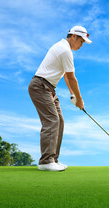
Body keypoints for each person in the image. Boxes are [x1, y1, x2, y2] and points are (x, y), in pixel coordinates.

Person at [28, 26, 92, 171]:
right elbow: (72, 78)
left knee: (60, 121)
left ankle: (53, 160)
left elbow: (65, 75)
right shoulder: (65, 50)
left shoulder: (64, 48)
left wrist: (73, 94)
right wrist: (80, 100)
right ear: (74, 36)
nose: (82, 45)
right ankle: (46, 162)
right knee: (52, 120)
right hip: (40, 86)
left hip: (49, 88)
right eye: (81, 41)